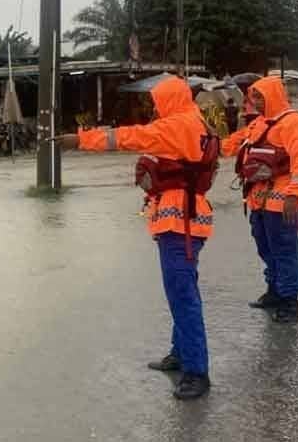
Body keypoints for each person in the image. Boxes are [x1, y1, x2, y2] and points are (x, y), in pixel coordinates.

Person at [60, 76, 218, 400]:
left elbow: (128, 137)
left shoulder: (177, 126)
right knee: (182, 292)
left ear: (169, 100)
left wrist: (79, 140)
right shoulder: (195, 121)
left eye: (158, 101)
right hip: (186, 217)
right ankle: (181, 353)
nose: (154, 106)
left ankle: (197, 372)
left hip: (179, 222)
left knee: (183, 296)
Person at [221, 76, 298, 323]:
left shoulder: (294, 123)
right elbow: (233, 145)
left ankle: (289, 302)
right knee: (266, 248)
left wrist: (294, 194)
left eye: (260, 96)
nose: (256, 101)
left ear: (273, 94)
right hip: (259, 199)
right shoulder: (261, 123)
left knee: (284, 251)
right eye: (254, 97)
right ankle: (274, 291)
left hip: (282, 201)